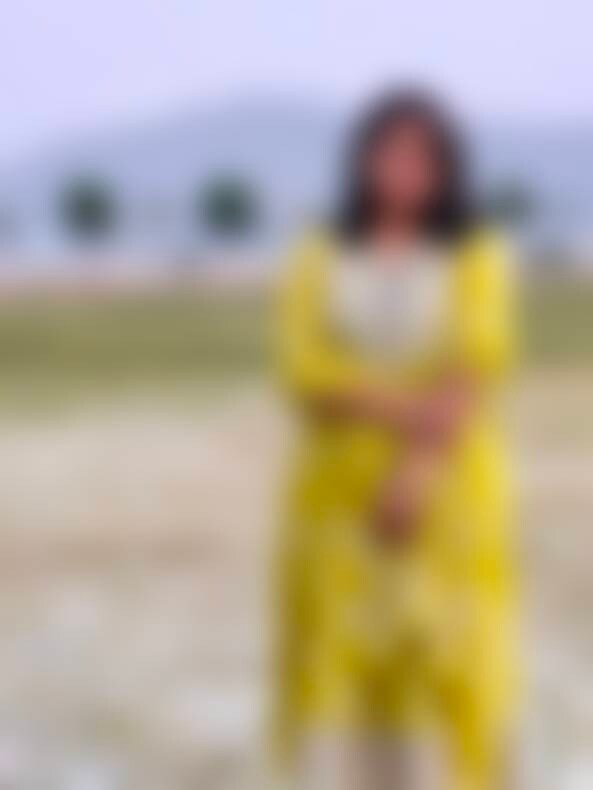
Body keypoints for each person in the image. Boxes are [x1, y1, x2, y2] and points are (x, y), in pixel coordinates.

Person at [273, 89, 518, 790]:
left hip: (448, 495)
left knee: (445, 656)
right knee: (342, 663)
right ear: (361, 159)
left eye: (421, 157)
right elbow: (304, 370)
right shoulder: (320, 251)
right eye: (389, 152)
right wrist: (411, 404)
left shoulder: (474, 253)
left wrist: (415, 471)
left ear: (446, 169)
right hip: (334, 500)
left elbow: (475, 363)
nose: (402, 170)